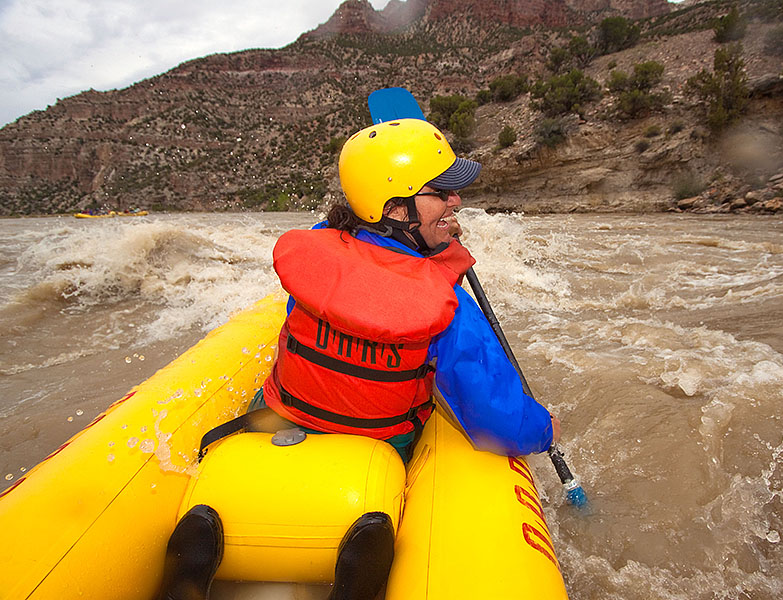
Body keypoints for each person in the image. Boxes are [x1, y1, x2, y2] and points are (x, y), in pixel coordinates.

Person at [159, 118, 559, 600]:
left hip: (279, 417)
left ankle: (197, 553)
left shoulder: (317, 252)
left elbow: (351, 234)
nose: (456, 202)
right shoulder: (447, 308)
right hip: (378, 443)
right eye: (442, 192)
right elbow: (499, 424)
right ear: (394, 208)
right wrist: (545, 429)